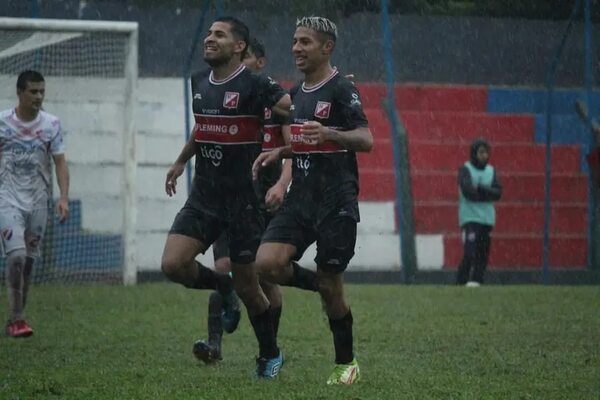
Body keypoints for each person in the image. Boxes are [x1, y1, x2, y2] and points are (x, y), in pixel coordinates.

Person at [161, 17, 290, 378]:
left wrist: (327, 100)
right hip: (204, 194)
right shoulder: (198, 81)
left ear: (239, 47)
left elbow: (293, 109)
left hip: (243, 201)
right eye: (208, 33)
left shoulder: (256, 84)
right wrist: (181, 160)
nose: (209, 39)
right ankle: (222, 287)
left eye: (219, 34)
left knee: (252, 287)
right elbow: (205, 126)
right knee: (173, 265)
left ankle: (269, 355)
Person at [252, 16, 373, 384]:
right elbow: (308, 140)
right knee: (266, 264)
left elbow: (366, 140)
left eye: (305, 41)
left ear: (326, 47)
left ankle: (346, 364)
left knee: (332, 287)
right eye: (294, 41)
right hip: (301, 198)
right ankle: (315, 281)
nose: (296, 48)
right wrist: (282, 152)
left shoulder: (342, 90)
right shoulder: (299, 93)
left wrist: (331, 133)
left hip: (336, 200)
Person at [192, 37, 292, 365]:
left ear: (260, 63)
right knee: (224, 269)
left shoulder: (275, 102)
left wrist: (280, 184)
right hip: (227, 197)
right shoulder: (223, 95)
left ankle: (268, 351)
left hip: (265, 202)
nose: (241, 65)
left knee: (264, 279)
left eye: (247, 58)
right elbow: (205, 130)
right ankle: (214, 345)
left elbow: (294, 150)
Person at [0, 70, 70, 338]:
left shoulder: (51, 124)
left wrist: (63, 198)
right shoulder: (3, 123)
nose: (38, 96)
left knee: (27, 262)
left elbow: (60, 163)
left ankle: (16, 317)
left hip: (39, 202)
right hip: (7, 199)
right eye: (33, 91)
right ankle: (17, 319)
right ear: (19, 92)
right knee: (16, 256)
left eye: (42, 91)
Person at [456, 138, 502, 286]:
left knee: (483, 252)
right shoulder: (465, 169)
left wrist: (481, 189)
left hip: (487, 219)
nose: (484, 156)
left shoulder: (491, 171)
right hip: (470, 218)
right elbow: (468, 191)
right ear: (474, 153)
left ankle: (477, 280)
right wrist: (486, 194)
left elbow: (498, 193)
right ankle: (461, 281)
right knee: (470, 251)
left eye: (486, 152)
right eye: (481, 152)